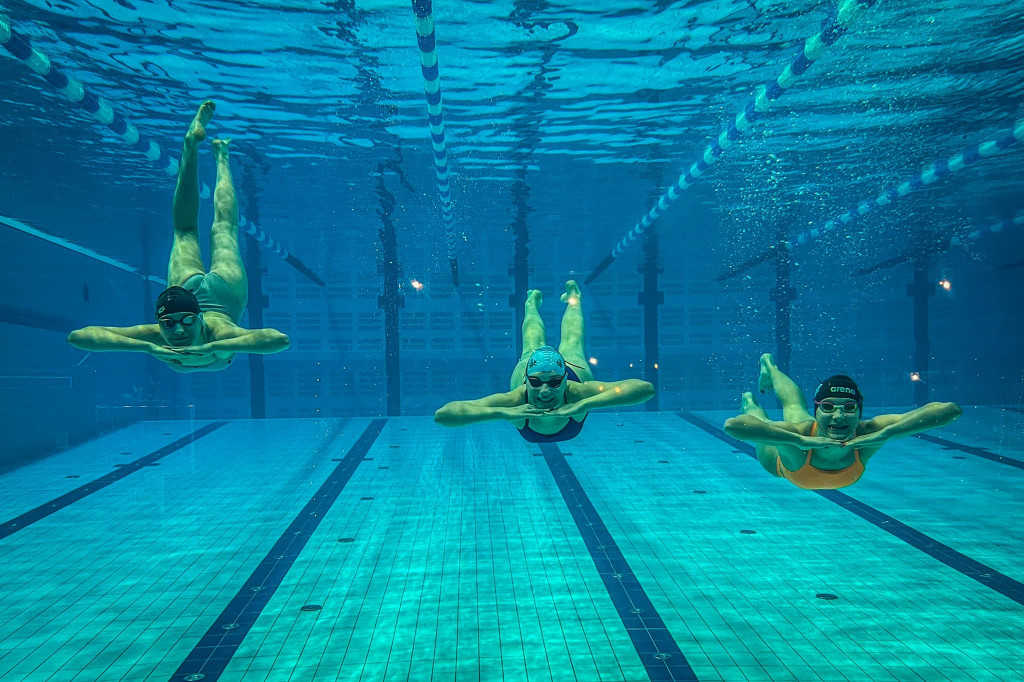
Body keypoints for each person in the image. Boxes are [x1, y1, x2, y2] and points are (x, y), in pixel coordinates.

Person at [68, 101, 289, 372]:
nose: (178, 331)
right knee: (223, 228)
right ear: (160, 322)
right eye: (169, 323)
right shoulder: (160, 336)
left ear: (199, 319)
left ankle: (193, 147)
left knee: (191, 228)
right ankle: (221, 155)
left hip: (187, 286)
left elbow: (280, 340)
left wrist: (211, 346)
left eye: (185, 321)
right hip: (226, 292)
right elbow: (277, 340)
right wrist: (147, 345)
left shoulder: (217, 333)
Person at [434, 280, 654, 442]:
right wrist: (502, 412)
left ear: (566, 380)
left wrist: (586, 403)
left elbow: (645, 389)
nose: (545, 391)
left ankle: (574, 297)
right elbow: (443, 415)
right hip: (528, 370)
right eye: (537, 383)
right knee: (532, 342)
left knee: (572, 340)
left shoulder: (579, 393)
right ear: (528, 381)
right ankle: (531, 303)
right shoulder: (515, 401)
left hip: (572, 372)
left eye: (556, 382)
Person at [723, 353, 962, 489]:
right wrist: (798, 440)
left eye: (848, 408)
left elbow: (950, 411)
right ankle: (754, 394)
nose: (838, 417)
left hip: (805, 443)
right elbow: (734, 426)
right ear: (817, 411)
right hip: (782, 465)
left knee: (795, 408)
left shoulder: (870, 432)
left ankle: (770, 367)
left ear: (860, 411)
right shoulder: (798, 434)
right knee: (769, 416)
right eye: (828, 408)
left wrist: (887, 433)